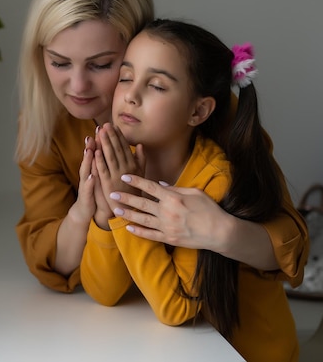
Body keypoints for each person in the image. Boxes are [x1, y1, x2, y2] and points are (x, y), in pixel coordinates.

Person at [14, 0, 308, 294]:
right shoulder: (43, 123)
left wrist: (221, 232)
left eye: (101, 65)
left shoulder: (210, 111)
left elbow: (291, 247)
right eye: (60, 62)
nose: (78, 87)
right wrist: (88, 211)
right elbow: (51, 262)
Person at [80, 19, 298, 361]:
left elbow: (177, 308)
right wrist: (109, 210)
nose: (131, 96)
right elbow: (104, 292)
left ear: (198, 111)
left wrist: (124, 206)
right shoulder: (120, 165)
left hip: (249, 353)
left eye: (156, 86)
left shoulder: (214, 181)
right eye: (125, 77)